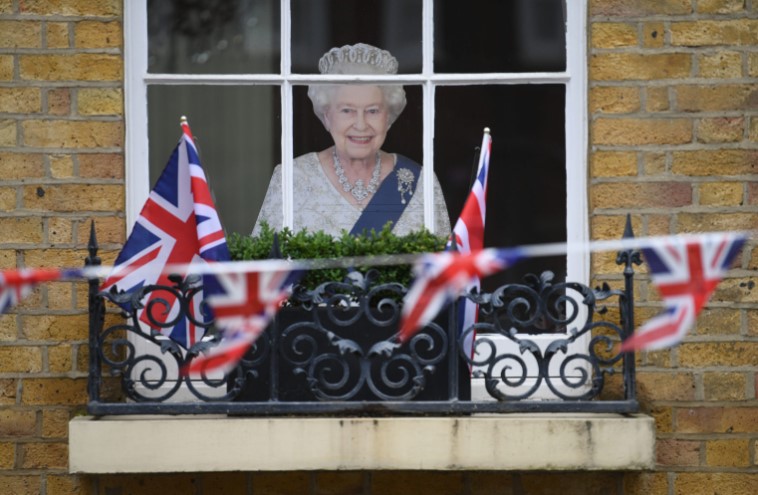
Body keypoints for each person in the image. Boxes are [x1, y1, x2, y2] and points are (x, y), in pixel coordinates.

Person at [252, 43, 451, 237]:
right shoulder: (292, 178)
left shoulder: (422, 183)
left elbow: (445, 266)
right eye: (347, 110)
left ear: (388, 117)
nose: (361, 124)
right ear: (327, 115)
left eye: (373, 111)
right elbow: (265, 265)